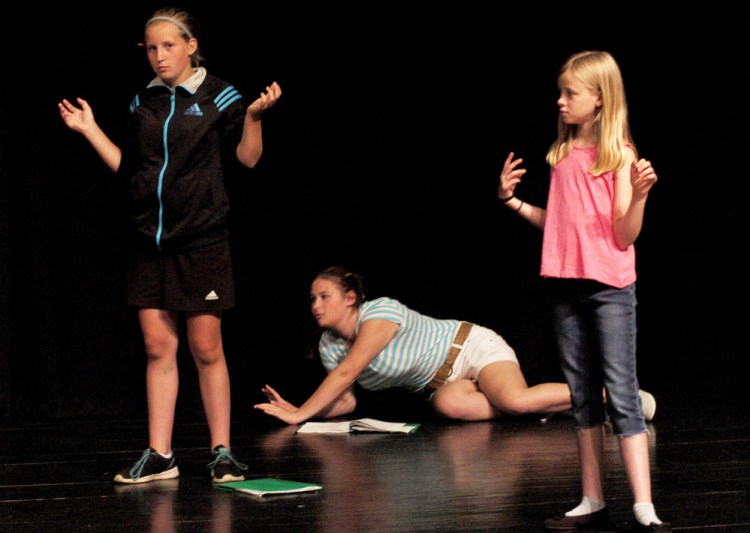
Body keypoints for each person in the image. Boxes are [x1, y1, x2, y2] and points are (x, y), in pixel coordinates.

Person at [58, 7, 282, 484]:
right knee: (158, 346)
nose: (159, 57)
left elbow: (248, 159)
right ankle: (160, 455)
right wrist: (90, 130)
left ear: (191, 46)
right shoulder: (144, 99)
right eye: (152, 48)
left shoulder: (219, 93)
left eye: (169, 46)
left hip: (201, 239)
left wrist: (256, 117)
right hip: (148, 240)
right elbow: (132, 172)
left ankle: (221, 451)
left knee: (205, 347)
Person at [497, 51, 669, 531]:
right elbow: (559, 226)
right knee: (581, 395)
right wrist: (513, 202)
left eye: (570, 93)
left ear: (599, 100)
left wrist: (639, 196)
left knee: (622, 390)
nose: (561, 101)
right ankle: (592, 498)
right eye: (561, 92)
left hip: (610, 289)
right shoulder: (562, 155)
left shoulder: (620, 156)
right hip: (564, 287)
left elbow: (623, 234)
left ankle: (644, 505)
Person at [254, 266, 655, 425]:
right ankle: (556, 407)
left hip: (469, 349)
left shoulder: (379, 312)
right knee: (449, 407)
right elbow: (345, 400)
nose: (315, 305)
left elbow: (350, 371)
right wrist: (303, 414)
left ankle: (620, 398)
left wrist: (301, 412)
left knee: (513, 400)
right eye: (311, 299)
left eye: (324, 296)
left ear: (350, 298)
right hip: (444, 387)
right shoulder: (329, 345)